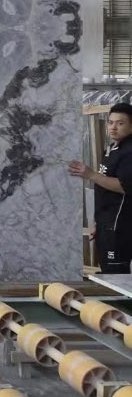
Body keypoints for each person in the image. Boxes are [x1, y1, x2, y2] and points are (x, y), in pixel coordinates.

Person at [68, 102, 132, 273]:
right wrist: (98, 222)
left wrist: (91, 174)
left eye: (120, 123)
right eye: (110, 122)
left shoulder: (129, 151)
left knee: (116, 275)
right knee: (107, 270)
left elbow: (126, 187)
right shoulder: (112, 149)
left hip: (120, 228)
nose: (113, 127)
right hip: (107, 225)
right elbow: (104, 188)